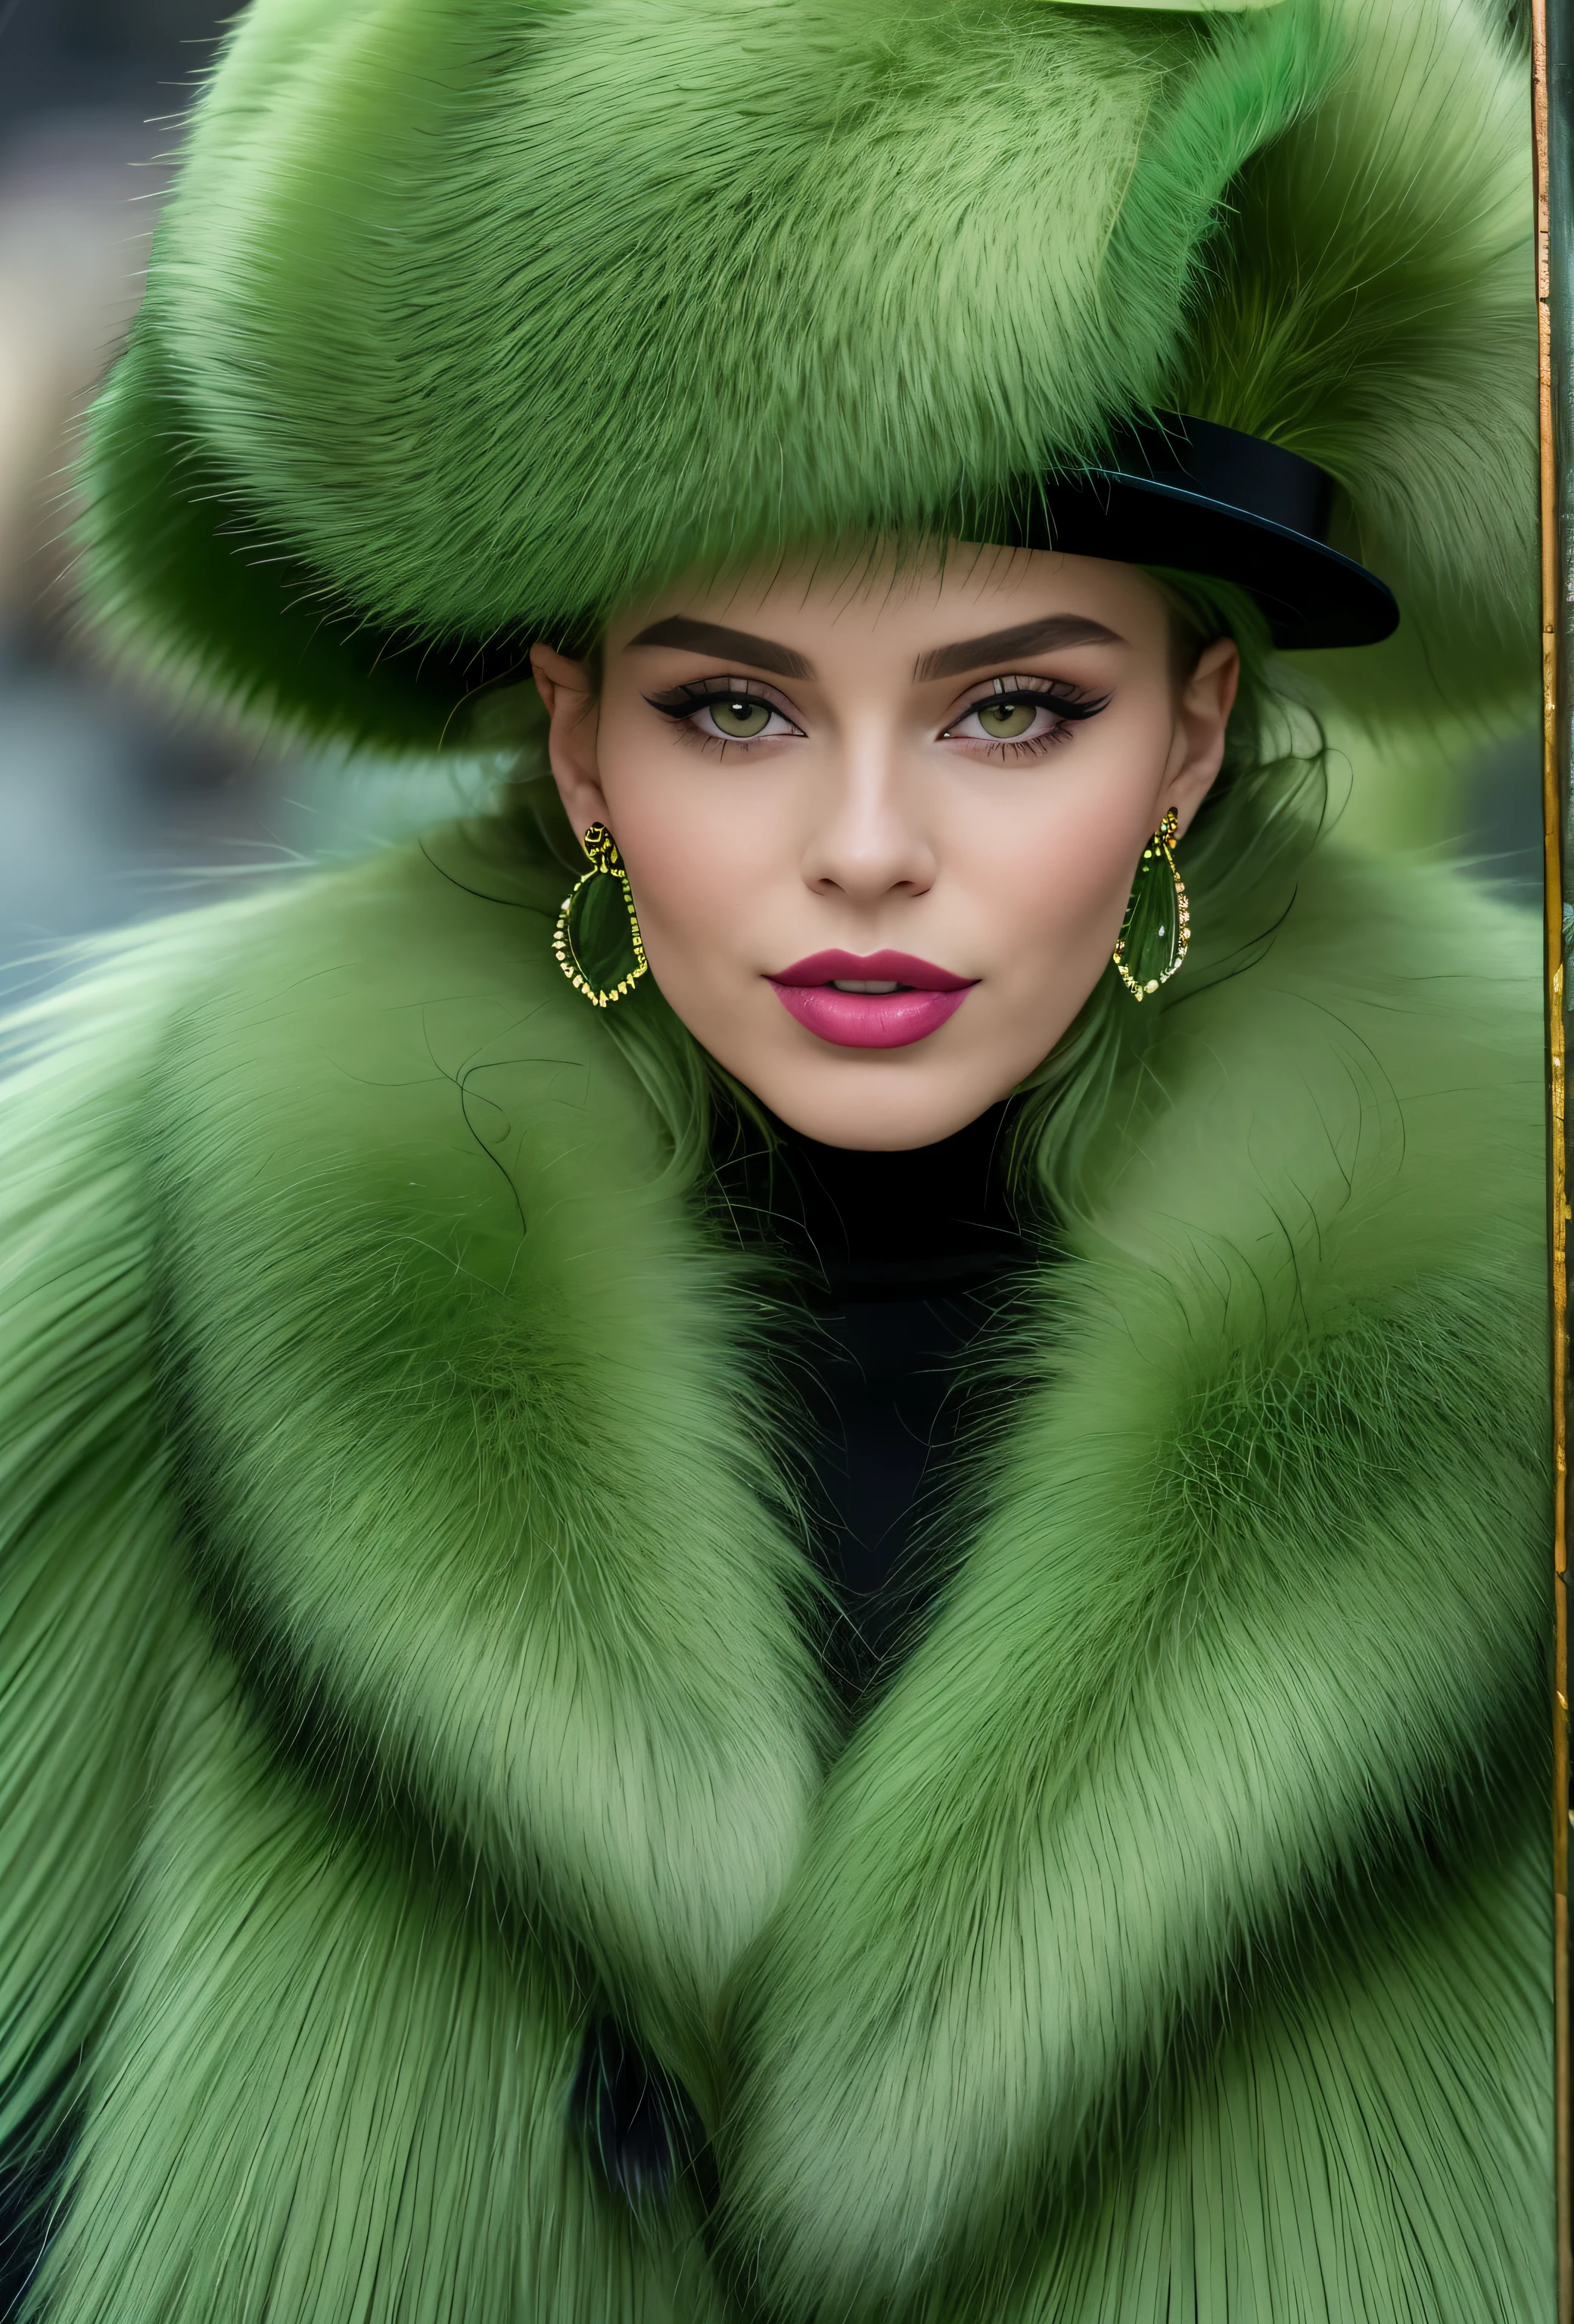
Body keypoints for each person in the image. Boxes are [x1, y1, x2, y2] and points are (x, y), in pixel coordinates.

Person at [0, 0, 1551, 2317]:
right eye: (732, 705)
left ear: (1199, 736)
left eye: (1014, 706)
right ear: (580, 740)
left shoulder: (1518, 1276)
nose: (863, 852)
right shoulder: (158, 1249)